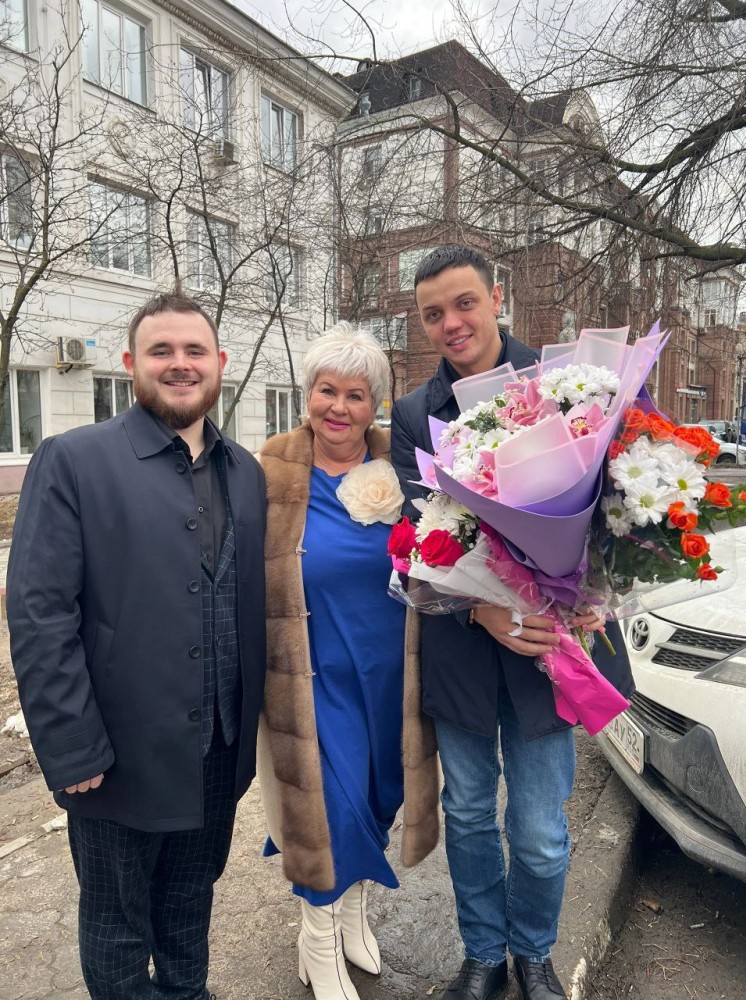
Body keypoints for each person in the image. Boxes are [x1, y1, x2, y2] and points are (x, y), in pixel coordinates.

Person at [7, 292, 267, 1000]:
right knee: (117, 922)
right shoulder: (74, 460)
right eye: (161, 351)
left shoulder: (246, 472)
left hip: (217, 748)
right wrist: (71, 747)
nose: (180, 364)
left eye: (194, 351)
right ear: (131, 363)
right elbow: (39, 611)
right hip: (115, 755)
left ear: (219, 363)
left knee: (190, 902)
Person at [391, 246, 634, 1000]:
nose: (451, 323)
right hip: (463, 649)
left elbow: (615, 511)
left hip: (547, 650)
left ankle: (532, 953)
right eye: (433, 313)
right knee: (467, 814)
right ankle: (483, 955)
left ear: (497, 298)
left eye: (464, 303)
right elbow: (415, 545)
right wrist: (481, 606)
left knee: (538, 829)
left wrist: (595, 588)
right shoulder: (413, 414)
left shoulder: (567, 386)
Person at [257, 323, 439, 1000]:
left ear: (376, 404)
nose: (338, 407)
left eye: (356, 395)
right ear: (307, 394)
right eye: (326, 391)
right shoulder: (272, 471)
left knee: (376, 797)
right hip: (312, 675)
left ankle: (353, 911)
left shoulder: (406, 467)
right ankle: (317, 938)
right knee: (327, 809)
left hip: (392, 673)